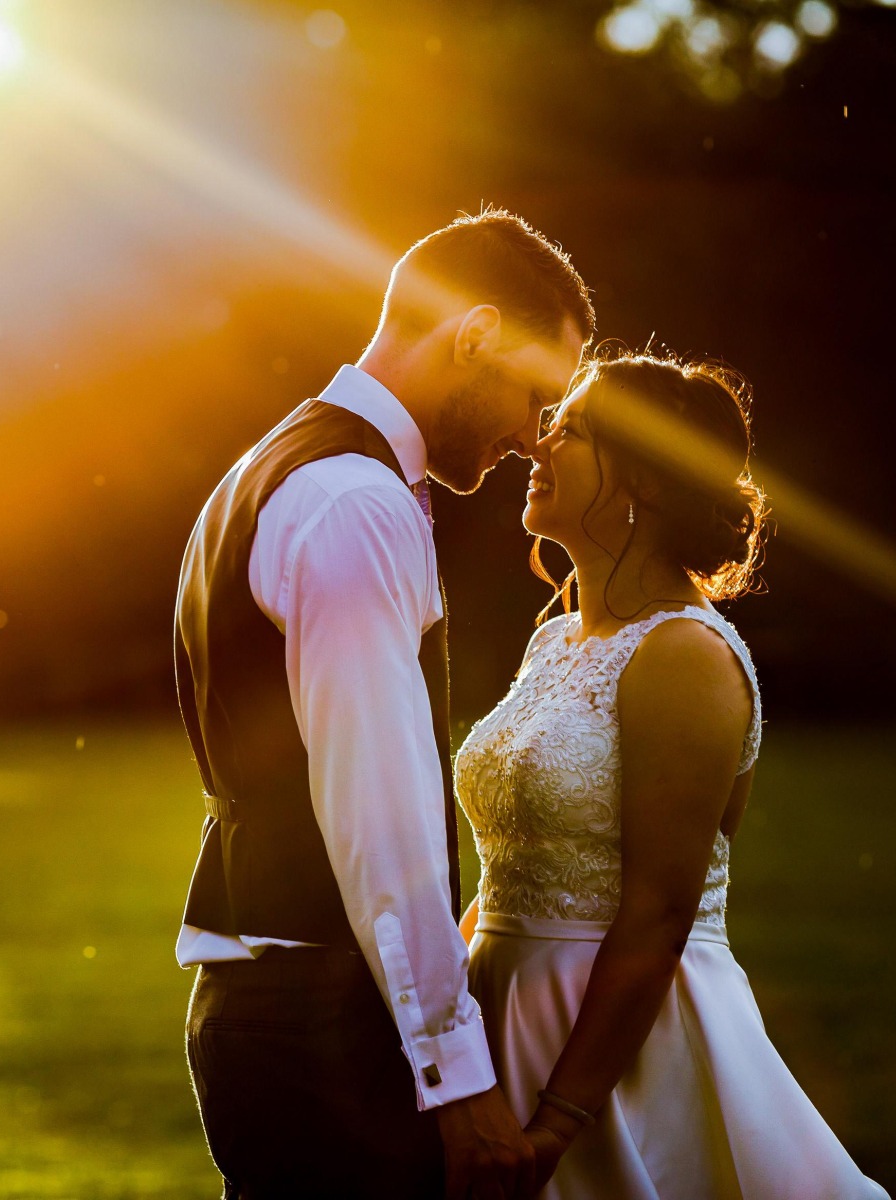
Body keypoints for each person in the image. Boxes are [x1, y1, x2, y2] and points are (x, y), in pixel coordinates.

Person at [173, 207, 592, 1198]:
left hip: (272, 1002)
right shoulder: (354, 500)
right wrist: (456, 1080)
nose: (537, 439)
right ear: (475, 334)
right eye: (537, 394)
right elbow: (381, 809)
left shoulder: (273, 465)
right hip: (327, 1025)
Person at [456, 351, 889, 1198]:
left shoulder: (685, 655)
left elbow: (657, 914)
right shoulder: (553, 641)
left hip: (620, 1045)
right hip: (499, 1010)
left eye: (569, 431)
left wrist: (557, 1122)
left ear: (645, 481)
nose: (537, 447)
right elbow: (516, 857)